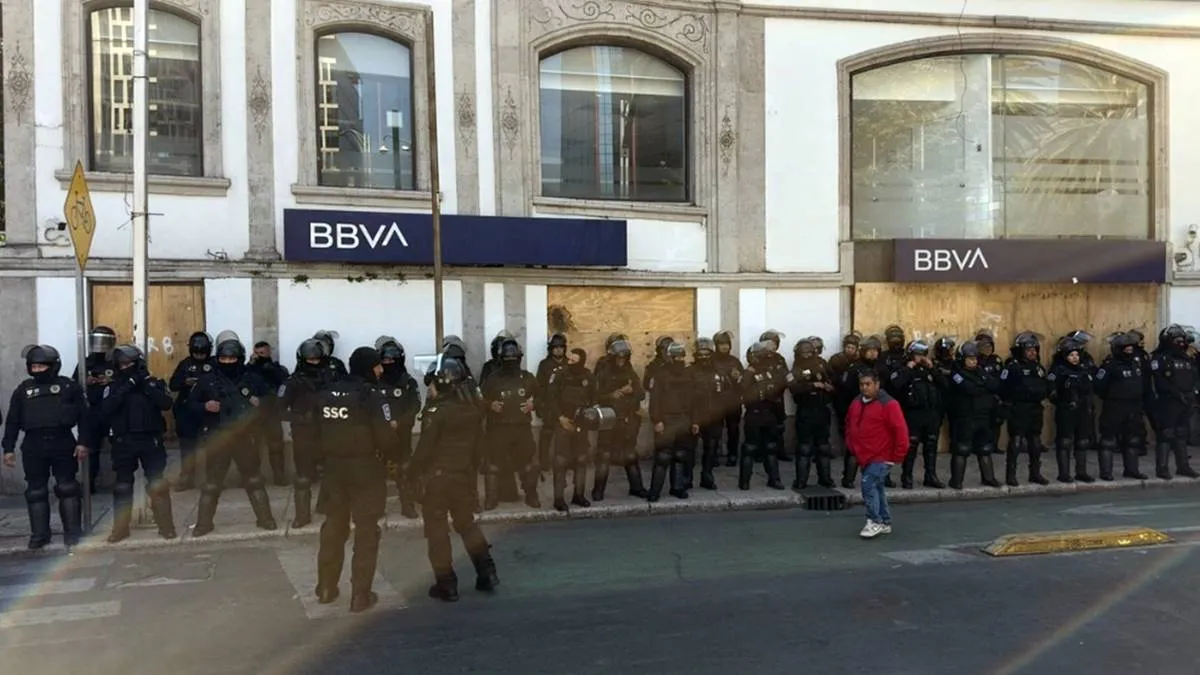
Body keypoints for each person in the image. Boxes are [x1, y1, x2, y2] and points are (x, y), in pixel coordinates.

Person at [409, 354, 499, 603]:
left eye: (432, 383)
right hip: (462, 477)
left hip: (437, 480)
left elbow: (425, 450)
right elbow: (479, 448)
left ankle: (446, 584)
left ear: (442, 383)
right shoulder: (471, 409)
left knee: (437, 531)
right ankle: (487, 572)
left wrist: (411, 473)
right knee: (467, 525)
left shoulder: (436, 412)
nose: (429, 388)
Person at [312, 347, 394, 613]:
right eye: (378, 366)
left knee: (333, 528)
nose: (381, 370)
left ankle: (326, 588)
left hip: (334, 469)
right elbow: (385, 437)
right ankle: (360, 594)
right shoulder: (371, 395)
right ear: (368, 367)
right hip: (365, 469)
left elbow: (313, 429)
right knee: (367, 530)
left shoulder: (327, 392)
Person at [190, 332, 277, 536]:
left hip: (245, 437)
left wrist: (260, 402)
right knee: (212, 484)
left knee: (254, 480)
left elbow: (273, 400)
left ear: (239, 358)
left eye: (232, 358)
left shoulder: (252, 378)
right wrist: (205, 406)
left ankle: (266, 519)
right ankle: (203, 524)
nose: (227, 362)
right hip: (218, 436)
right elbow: (189, 405)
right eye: (223, 358)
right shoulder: (207, 379)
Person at [3, 345, 88, 549]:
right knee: (35, 491)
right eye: (34, 366)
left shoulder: (69, 387)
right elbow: (12, 421)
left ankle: (72, 532)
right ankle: (40, 534)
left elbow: (85, 417)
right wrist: (8, 448)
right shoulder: (23, 390)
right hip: (33, 444)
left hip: (62, 441)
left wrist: (83, 442)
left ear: (53, 366)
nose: (37, 370)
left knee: (67, 487)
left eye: (42, 366)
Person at [98, 345, 177, 542]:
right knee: (123, 486)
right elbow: (106, 408)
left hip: (150, 440)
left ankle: (166, 527)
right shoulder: (113, 386)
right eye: (121, 364)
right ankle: (121, 528)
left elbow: (166, 403)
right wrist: (127, 385)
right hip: (123, 441)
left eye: (128, 363)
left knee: (157, 484)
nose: (125, 367)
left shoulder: (153, 382)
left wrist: (145, 386)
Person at [845, 370, 908, 539]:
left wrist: (898, 455)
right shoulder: (856, 402)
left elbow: (900, 430)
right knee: (877, 487)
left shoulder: (889, 404)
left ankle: (874, 520)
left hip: (882, 455)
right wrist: (851, 444)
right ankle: (885, 521)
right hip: (864, 454)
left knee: (868, 486)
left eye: (868, 384)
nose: (865, 388)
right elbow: (849, 423)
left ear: (877, 385)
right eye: (862, 385)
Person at [479, 338, 540, 509]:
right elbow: (478, 400)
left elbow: (544, 397)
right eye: (507, 359)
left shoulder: (528, 378)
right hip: (498, 428)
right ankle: (491, 498)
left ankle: (531, 495)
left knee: (529, 464)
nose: (510, 362)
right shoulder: (492, 379)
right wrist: (489, 405)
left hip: (522, 428)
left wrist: (533, 404)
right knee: (492, 465)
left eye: (513, 359)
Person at [279, 338, 332, 528]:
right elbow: (279, 410)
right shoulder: (292, 382)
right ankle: (302, 515)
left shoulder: (330, 378)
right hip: (304, 433)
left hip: (328, 430)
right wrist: (300, 418)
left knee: (332, 473)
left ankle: (326, 506)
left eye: (316, 360)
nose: (314, 364)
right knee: (303, 477)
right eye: (310, 360)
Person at [888, 340, 946, 489]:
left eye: (922, 354)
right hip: (912, 414)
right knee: (911, 446)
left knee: (931, 445)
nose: (920, 357)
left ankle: (931, 476)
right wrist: (908, 369)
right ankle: (907, 477)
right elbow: (895, 383)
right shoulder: (902, 367)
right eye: (917, 354)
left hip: (930, 413)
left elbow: (945, 385)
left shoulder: (930, 369)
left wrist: (932, 368)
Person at [374, 337, 421, 518]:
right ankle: (378, 508)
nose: (389, 363)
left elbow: (414, 406)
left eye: (392, 360)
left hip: (402, 434)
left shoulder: (408, 382)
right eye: (385, 360)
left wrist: (399, 423)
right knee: (377, 473)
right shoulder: (375, 382)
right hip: (381, 434)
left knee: (404, 471)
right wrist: (383, 424)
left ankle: (407, 506)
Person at [1148, 325, 1200, 480]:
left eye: (1182, 341)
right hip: (1168, 401)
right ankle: (1162, 468)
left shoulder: (1186, 358)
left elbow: (1194, 378)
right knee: (1166, 434)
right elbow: (1160, 382)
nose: (1181, 344)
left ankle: (1183, 466)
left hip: (1186, 401)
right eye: (1177, 341)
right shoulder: (1159, 358)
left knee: (1182, 434)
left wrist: (1193, 393)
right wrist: (1176, 394)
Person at [1094, 332, 1148, 480]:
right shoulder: (1109, 365)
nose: (1129, 351)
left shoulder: (1136, 364)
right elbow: (1099, 386)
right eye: (1126, 348)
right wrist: (1111, 396)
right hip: (1115, 406)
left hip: (1134, 406)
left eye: (1131, 348)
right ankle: (1106, 472)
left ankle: (1131, 470)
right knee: (1108, 440)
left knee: (1133, 440)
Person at [545, 347, 594, 511]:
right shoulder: (560, 374)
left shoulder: (588, 376)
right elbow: (550, 398)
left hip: (581, 423)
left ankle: (578, 495)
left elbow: (594, 397)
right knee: (560, 461)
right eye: (569, 359)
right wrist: (560, 417)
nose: (570, 363)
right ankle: (558, 499)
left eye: (574, 360)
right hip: (564, 422)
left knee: (581, 460)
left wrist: (587, 415)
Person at [647, 341, 697, 500]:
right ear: (669, 357)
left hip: (684, 418)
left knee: (681, 455)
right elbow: (654, 400)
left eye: (682, 356)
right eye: (676, 356)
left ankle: (677, 487)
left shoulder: (689, 374)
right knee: (663, 457)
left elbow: (695, 400)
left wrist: (695, 421)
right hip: (666, 419)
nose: (679, 359)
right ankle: (655, 491)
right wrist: (657, 420)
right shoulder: (660, 374)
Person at [167, 331, 214, 490]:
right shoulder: (185, 364)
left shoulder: (214, 363)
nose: (199, 356)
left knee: (212, 445)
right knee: (188, 447)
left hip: (209, 411)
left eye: (202, 353)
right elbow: (172, 384)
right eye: (196, 353)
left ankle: (211, 478)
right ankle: (187, 478)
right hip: (187, 412)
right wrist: (185, 382)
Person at [738, 341, 786, 490]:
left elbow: (778, 392)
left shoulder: (770, 372)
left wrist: (780, 417)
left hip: (769, 414)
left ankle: (774, 479)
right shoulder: (748, 373)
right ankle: (744, 482)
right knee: (750, 448)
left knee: (771, 447)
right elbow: (742, 391)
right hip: (754, 414)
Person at [789, 337, 836, 489]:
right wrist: (812, 385)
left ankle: (825, 478)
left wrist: (830, 387)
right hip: (805, 411)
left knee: (823, 447)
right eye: (804, 352)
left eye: (810, 352)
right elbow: (793, 387)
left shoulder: (822, 364)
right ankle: (801, 481)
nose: (807, 355)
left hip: (822, 409)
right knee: (804, 448)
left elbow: (833, 380)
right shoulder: (796, 368)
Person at [1048, 339, 1096, 483]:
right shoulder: (1058, 369)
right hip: (1066, 410)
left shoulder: (1083, 370)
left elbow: (1090, 388)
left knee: (1082, 442)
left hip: (1082, 410)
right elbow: (1051, 390)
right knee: (1065, 442)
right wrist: (1063, 400)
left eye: (1076, 355)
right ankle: (1064, 473)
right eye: (1071, 355)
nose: (1075, 358)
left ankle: (1081, 472)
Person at [76, 325, 116, 493]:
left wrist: (111, 381)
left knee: (121, 448)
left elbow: (128, 381)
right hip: (92, 411)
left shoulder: (116, 361)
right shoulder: (86, 362)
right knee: (91, 449)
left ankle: (121, 482)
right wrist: (86, 381)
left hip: (114, 411)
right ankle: (89, 484)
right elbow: (74, 384)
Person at [248, 341, 290, 485]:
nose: (260, 356)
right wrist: (251, 365)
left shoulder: (277, 368)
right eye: (257, 353)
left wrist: (269, 367)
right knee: (253, 447)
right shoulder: (249, 370)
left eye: (262, 353)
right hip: (254, 413)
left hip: (272, 411)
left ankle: (279, 475)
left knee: (276, 445)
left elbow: (285, 382)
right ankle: (253, 476)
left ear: (268, 352)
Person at [712, 331, 744, 468]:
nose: (724, 347)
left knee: (733, 429)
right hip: (716, 401)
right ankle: (714, 455)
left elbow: (743, 382)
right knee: (715, 430)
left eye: (726, 344)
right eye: (721, 344)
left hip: (733, 401)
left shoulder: (735, 361)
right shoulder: (711, 361)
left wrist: (738, 378)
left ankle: (733, 455)